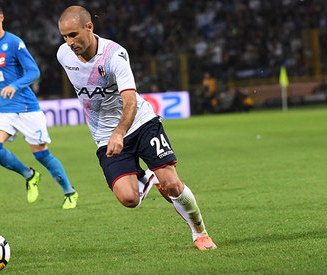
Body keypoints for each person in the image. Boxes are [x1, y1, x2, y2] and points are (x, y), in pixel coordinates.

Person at [57, 6, 217, 250]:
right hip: (104, 135)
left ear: (89, 27)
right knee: (129, 199)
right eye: (64, 36)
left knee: (172, 184)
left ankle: (200, 233)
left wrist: (120, 132)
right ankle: (150, 177)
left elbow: (130, 100)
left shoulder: (114, 55)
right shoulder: (63, 55)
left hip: (140, 123)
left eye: (73, 35)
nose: (69, 42)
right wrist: (112, 134)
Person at [0, 1, 78, 209]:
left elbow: (33, 71)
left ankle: (69, 192)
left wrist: (15, 84)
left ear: (0, 18)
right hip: (3, 110)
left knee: (42, 155)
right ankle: (29, 175)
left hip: (26, 108)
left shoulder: (14, 43)